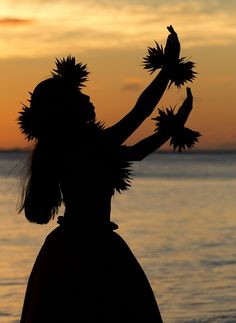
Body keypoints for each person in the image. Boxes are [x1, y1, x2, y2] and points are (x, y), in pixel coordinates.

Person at [18, 26, 197, 322]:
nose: (88, 97)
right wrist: (167, 69)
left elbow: (136, 152)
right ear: (68, 110)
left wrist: (177, 122)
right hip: (91, 249)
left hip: (74, 245)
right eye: (79, 96)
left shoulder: (78, 147)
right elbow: (138, 113)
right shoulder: (81, 145)